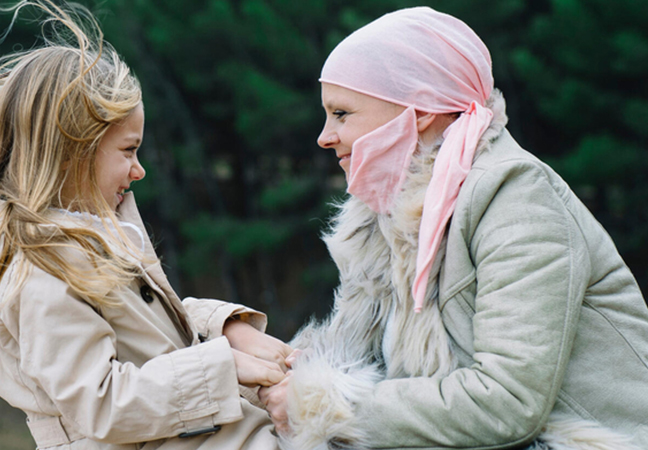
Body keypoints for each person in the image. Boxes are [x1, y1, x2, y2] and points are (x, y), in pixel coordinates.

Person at [0, 2, 290, 449]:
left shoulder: (90, 245)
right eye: (128, 150)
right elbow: (104, 403)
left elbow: (143, 337)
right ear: (72, 151)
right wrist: (223, 366)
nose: (138, 170)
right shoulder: (43, 275)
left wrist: (222, 328)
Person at [258, 7, 648, 450]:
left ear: (420, 111)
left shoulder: (515, 195)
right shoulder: (382, 211)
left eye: (342, 114)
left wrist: (322, 404)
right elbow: (359, 359)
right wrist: (290, 372)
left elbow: (507, 402)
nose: (324, 137)